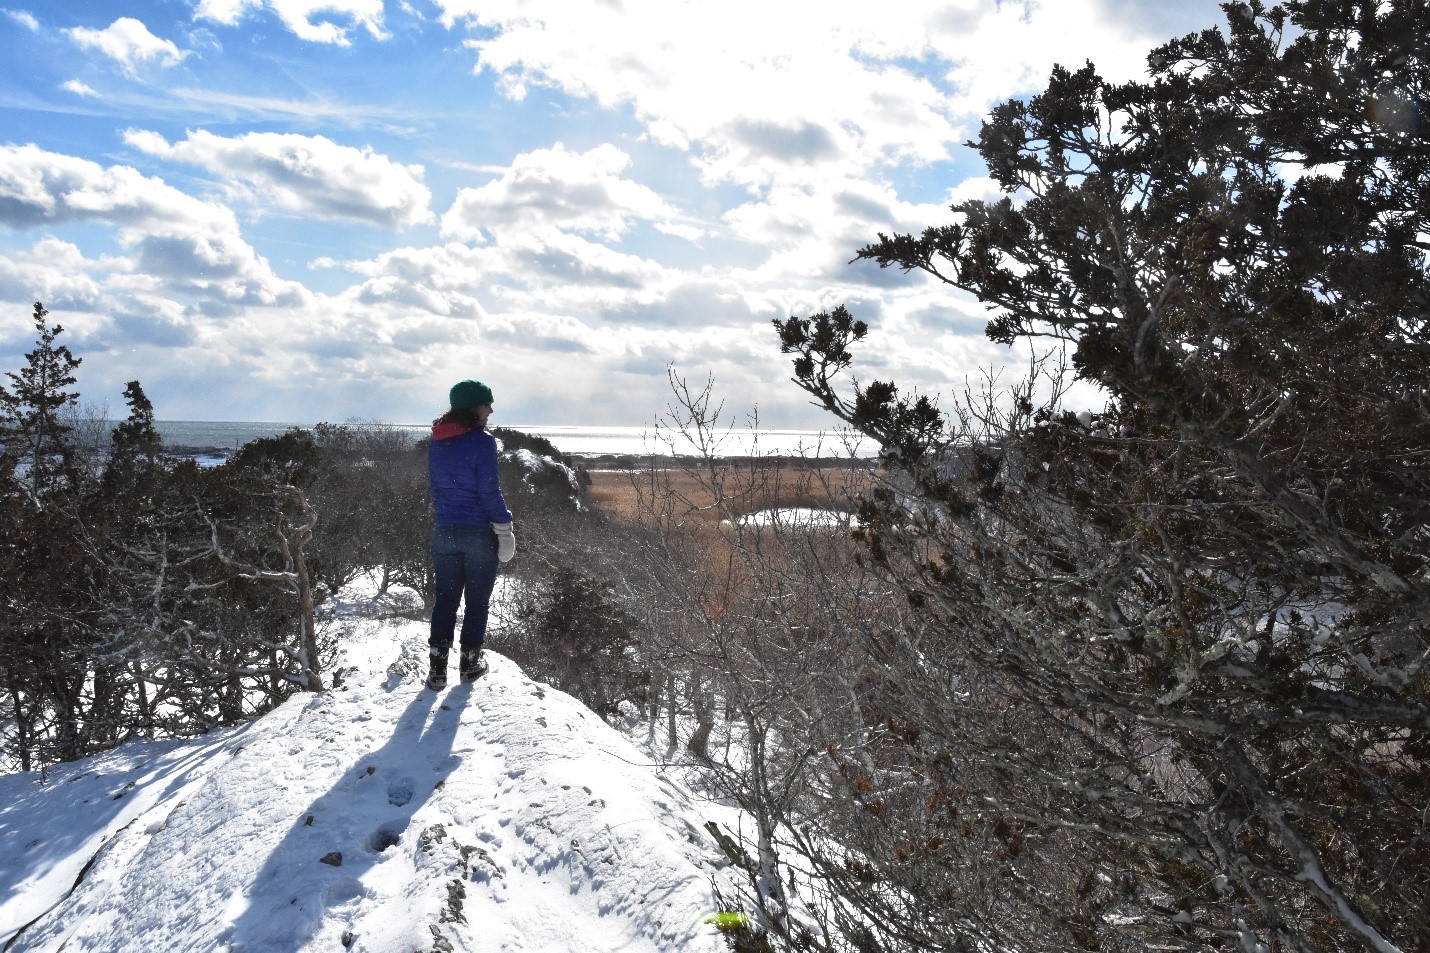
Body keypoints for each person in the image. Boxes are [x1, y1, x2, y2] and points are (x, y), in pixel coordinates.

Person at [426, 379, 516, 689]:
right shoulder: (483, 442)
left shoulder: (436, 442)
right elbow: (489, 490)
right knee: (477, 603)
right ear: (472, 408)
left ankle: (437, 670)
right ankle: (469, 665)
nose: (491, 409)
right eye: (486, 404)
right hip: (478, 532)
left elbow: (437, 489)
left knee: (446, 601)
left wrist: (448, 516)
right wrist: (504, 527)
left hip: (444, 531)